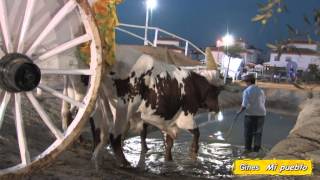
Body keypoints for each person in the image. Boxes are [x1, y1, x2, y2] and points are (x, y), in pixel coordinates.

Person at [236, 74, 266, 153]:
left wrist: (239, 112)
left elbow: (244, 105)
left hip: (250, 115)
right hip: (261, 114)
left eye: (246, 81)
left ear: (249, 81)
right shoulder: (261, 90)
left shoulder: (247, 91)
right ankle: (256, 150)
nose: (245, 83)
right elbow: (263, 102)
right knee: (258, 133)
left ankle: (247, 149)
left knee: (248, 133)